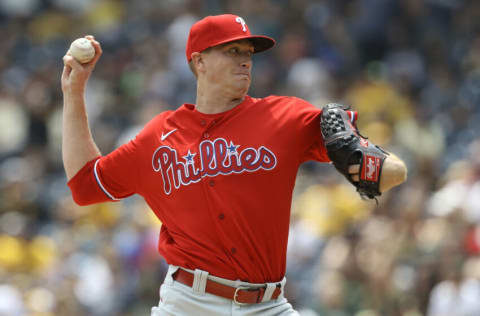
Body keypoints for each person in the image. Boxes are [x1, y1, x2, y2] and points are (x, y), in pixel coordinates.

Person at [61, 14, 407, 316]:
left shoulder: (285, 118)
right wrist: (74, 91)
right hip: (187, 304)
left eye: (248, 53)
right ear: (199, 62)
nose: (245, 61)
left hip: (267, 305)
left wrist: (363, 155)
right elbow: (84, 184)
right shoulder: (159, 137)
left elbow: (394, 174)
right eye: (232, 51)